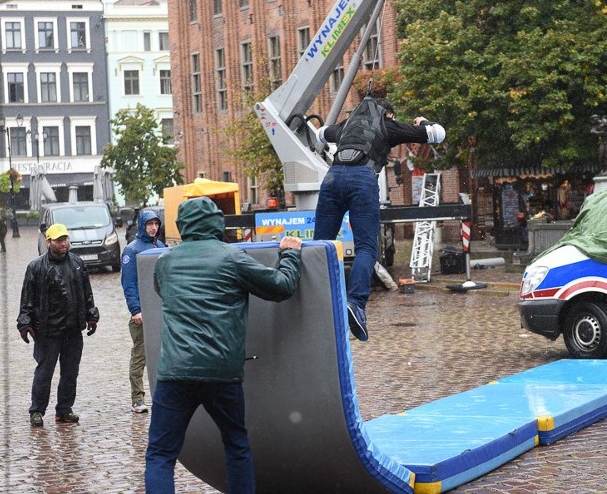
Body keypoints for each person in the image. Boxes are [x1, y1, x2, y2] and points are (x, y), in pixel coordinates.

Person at [145, 196, 302, 494]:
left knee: (160, 455)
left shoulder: (165, 262)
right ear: (217, 223)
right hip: (221, 372)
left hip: (175, 371)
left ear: (182, 225)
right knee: (236, 445)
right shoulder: (232, 257)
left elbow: (164, 292)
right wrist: (290, 255)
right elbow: (282, 287)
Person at [314, 96, 445, 341]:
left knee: (320, 246)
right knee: (365, 248)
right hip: (362, 180)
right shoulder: (387, 125)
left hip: (332, 179)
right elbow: (438, 133)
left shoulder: (345, 126)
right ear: (388, 115)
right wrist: (422, 122)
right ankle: (355, 304)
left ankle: (316, 304)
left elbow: (321, 133)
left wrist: (339, 128)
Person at [17, 223, 99, 427]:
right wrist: (24, 323)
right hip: (48, 331)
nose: (64, 244)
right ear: (49, 242)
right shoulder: (36, 267)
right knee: (44, 373)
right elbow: (27, 298)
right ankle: (36, 410)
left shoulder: (77, 263)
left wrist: (91, 314)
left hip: (73, 330)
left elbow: (86, 292)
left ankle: (64, 409)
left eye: (66, 239)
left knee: (71, 373)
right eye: (59, 240)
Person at [120, 209, 166, 414]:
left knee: (163, 354)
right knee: (140, 355)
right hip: (142, 313)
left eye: (156, 224)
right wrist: (135, 310)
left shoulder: (161, 246)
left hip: (161, 310)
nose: (153, 227)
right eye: (149, 224)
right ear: (142, 225)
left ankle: (162, 395)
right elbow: (128, 283)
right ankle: (137, 398)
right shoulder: (132, 250)